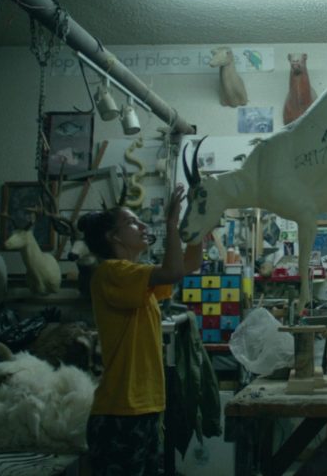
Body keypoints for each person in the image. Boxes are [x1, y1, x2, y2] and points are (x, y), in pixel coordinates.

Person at [77, 183, 201, 476]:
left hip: (143, 407)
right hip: (119, 412)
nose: (143, 225)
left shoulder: (136, 277)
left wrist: (198, 218)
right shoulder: (111, 272)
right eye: (132, 222)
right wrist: (172, 223)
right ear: (114, 236)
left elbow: (190, 263)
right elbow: (173, 271)